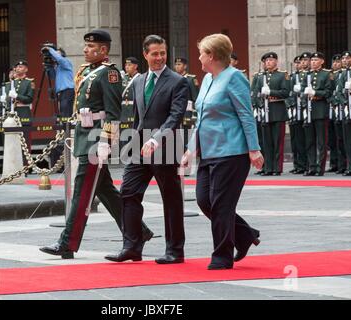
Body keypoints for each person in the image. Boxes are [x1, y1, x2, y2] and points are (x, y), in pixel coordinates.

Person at [40, 29, 154, 260]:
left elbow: (113, 112)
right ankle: (138, 232)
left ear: (103, 50)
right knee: (105, 191)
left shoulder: (109, 74)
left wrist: (106, 141)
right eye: (86, 45)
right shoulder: (88, 71)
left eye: (91, 47)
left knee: (82, 192)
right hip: (85, 135)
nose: (85, 49)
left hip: (96, 139)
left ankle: (67, 243)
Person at [181, 33, 263, 270]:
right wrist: (190, 150)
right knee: (204, 200)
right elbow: (201, 118)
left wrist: (254, 149)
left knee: (221, 205)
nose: (198, 58)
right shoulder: (207, 79)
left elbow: (246, 115)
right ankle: (245, 235)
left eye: (201, 54)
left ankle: (222, 255)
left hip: (232, 152)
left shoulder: (235, 78)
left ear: (212, 56)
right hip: (208, 151)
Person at [105, 35, 188, 265]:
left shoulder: (178, 81)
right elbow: (138, 117)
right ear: (145, 55)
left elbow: (175, 117)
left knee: (171, 199)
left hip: (166, 144)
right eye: (155, 53)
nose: (160, 57)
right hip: (140, 146)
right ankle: (131, 246)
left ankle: (175, 250)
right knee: (129, 193)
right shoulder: (139, 80)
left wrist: (157, 139)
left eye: (163, 53)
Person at [258, 52, 289, 176]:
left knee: (277, 142)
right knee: (267, 143)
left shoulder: (282, 75)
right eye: (266, 61)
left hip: (277, 111)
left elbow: (286, 92)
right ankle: (268, 168)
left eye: (271, 60)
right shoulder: (260, 77)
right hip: (265, 112)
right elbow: (255, 93)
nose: (268, 63)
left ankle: (277, 168)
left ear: (276, 61)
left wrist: (271, 92)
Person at [301, 52, 333, 176]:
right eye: (312, 60)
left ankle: (320, 168)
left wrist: (315, 93)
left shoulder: (326, 74)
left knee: (321, 141)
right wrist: (305, 95)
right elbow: (303, 91)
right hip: (309, 111)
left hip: (320, 110)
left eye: (316, 60)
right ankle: (311, 167)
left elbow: (328, 92)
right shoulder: (307, 74)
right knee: (309, 141)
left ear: (322, 61)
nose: (313, 62)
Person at [286, 54, 307, 175]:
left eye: (301, 62)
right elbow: (288, 93)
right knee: (295, 140)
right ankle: (297, 164)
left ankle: (304, 164)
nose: (298, 65)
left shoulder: (306, 75)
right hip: (294, 110)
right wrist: (290, 106)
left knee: (302, 139)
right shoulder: (293, 76)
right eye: (297, 63)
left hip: (303, 111)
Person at [327, 54, 346, 174]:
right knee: (332, 139)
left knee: (341, 138)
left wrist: (336, 101)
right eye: (334, 62)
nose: (336, 64)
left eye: (338, 62)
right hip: (330, 109)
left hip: (340, 107)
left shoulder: (343, 74)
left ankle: (342, 164)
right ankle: (334, 163)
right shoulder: (330, 75)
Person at [44, 45, 75, 118]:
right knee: (62, 112)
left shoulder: (66, 62)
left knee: (65, 112)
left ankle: (66, 128)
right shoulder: (57, 67)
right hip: (60, 92)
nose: (54, 55)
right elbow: (51, 76)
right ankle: (64, 128)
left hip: (67, 90)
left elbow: (60, 59)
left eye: (57, 54)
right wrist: (49, 67)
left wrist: (50, 49)